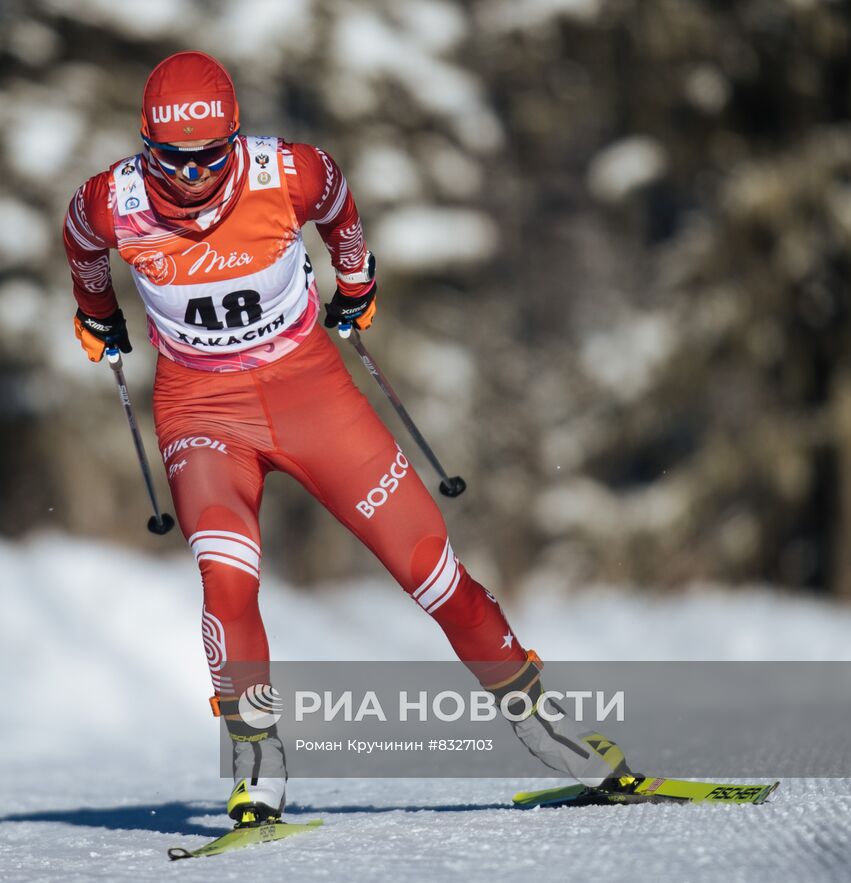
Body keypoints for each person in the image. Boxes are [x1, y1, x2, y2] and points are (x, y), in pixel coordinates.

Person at [62, 51, 628, 827]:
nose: (192, 180)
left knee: (430, 571)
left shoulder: (287, 173)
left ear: (235, 138)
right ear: (144, 146)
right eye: (172, 160)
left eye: (208, 158)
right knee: (226, 576)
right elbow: (80, 246)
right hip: (202, 409)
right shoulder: (110, 200)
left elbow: (338, 203)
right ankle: (256, 759)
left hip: (310, 393)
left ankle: (548, 728)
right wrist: (96, 312)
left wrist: (355, 280)